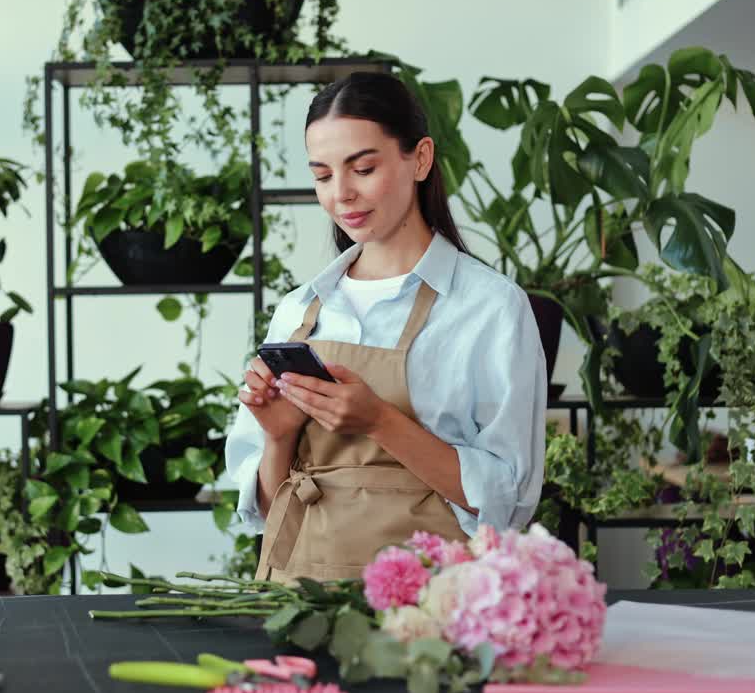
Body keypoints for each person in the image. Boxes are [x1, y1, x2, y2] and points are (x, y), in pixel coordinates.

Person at [223, 71, 546, 583]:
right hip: (299, 597)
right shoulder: (298, 311)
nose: (342, 194)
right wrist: (280, 436)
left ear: (419, 158)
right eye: (323, 176)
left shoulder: (490, 309)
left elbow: (506, 500)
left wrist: (379, 421)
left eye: (364, 168)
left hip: (434, 607)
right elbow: (263, 511)